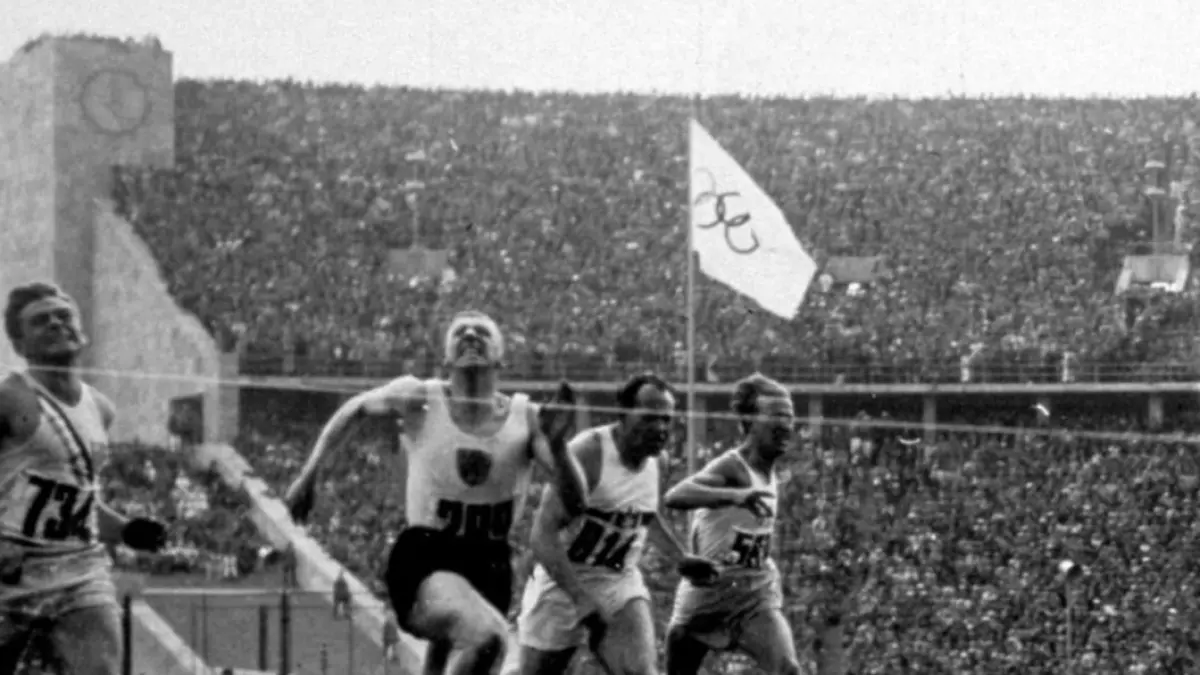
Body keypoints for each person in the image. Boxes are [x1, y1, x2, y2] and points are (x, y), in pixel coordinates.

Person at [285, 310, 586, 675]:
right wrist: (309, 473)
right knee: (489, 638)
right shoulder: (420, 397)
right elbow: (356, 407)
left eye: (482, 331)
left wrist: (559, 448)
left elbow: (576, 501)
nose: (470, 334)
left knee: (471, 652)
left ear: (501, 357)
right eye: (460, 331)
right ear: (445, 358)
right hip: (426, 557)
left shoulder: (527, 418)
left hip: (490, 566)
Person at [0, 282, 167, 675]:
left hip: (79, 571)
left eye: (64, 316)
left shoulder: (100, 408)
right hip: (11, 573)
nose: (56, 324)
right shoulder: (9, 400)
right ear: (20, 345)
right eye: (41, 321)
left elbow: (76, 499)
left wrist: (126, 530)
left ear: (81, 330)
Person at [517, 373, 720, 675]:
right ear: (623, 415)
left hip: (617, 580)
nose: (660, 428)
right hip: (563, 583)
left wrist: (680, 558)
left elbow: (644, 514)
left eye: (666, 420)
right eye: (649, 418)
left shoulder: (658, 461)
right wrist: (579, 597)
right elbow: (542, 536)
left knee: (641, 671)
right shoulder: (590, 452)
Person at [663, 373, 803, 675]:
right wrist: (735, 495)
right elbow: (675, 495)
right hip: (708, 594)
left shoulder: (770, 469)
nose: (785, 425)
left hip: (753, 594)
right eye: (776, 415)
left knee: (788, 669)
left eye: (789, 417)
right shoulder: (732, 466)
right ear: (750, 421)